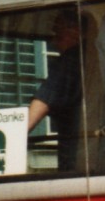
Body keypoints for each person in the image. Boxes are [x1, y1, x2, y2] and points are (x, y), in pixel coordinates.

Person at [28, 10, 85, 171]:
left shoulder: (70, 60)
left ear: (76, 31)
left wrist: (12, 135)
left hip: (76, 161)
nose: (54, 41)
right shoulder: (98, 56)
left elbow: (40, 106)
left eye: (59, 33)